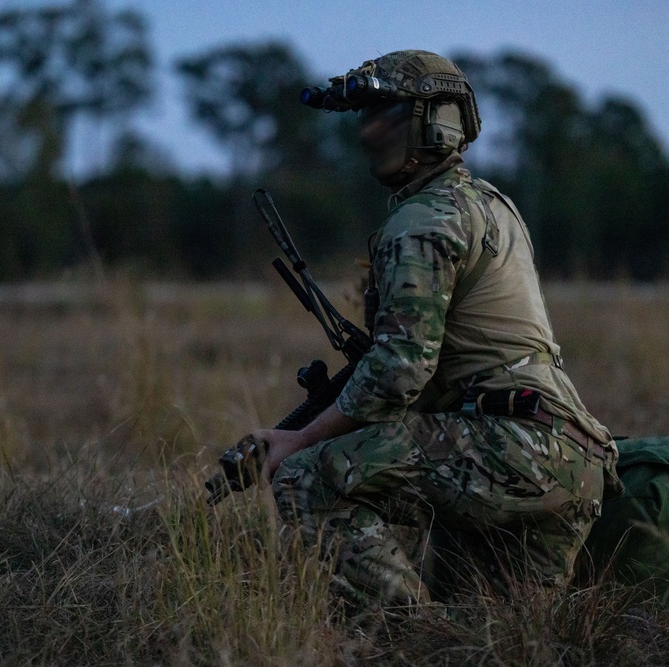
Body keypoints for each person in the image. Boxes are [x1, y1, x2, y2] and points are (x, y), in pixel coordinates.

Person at [252, 50, 621, 608]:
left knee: (306, 477)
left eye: (386, 114)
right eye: (364, 117)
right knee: (486, 635)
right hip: (570, 459)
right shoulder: (492, 205)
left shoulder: (423, 219)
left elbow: (400, 371)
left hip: (509, 448)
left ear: (435, 121)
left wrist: (298, 440)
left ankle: (406, 637)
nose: (368, 133)